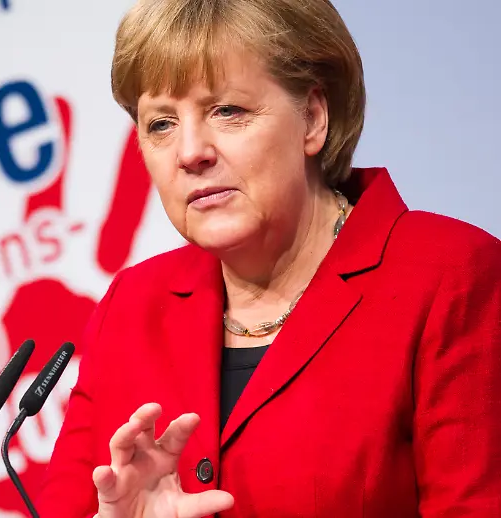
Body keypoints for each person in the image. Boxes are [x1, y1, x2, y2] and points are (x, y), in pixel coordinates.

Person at [36, 0, 501, 516]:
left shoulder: (449, 274)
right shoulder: (130, 307)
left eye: (226, 111)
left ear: (313, 118)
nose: (190, 153)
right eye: (161, 124)